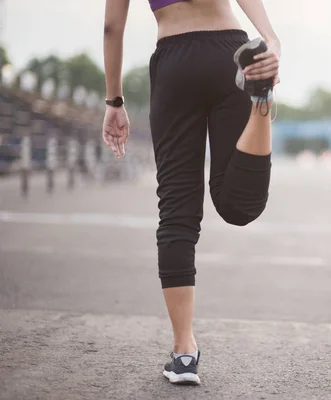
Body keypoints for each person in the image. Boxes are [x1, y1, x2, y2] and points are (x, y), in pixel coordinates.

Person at [102, 0, 281, 385]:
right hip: (230, 55)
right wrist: (270, 37)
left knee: (177, 211)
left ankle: (184, 352)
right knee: (238, 206)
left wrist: (114, 101)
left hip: (175, 62)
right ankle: (260, 100)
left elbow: (112, 28)